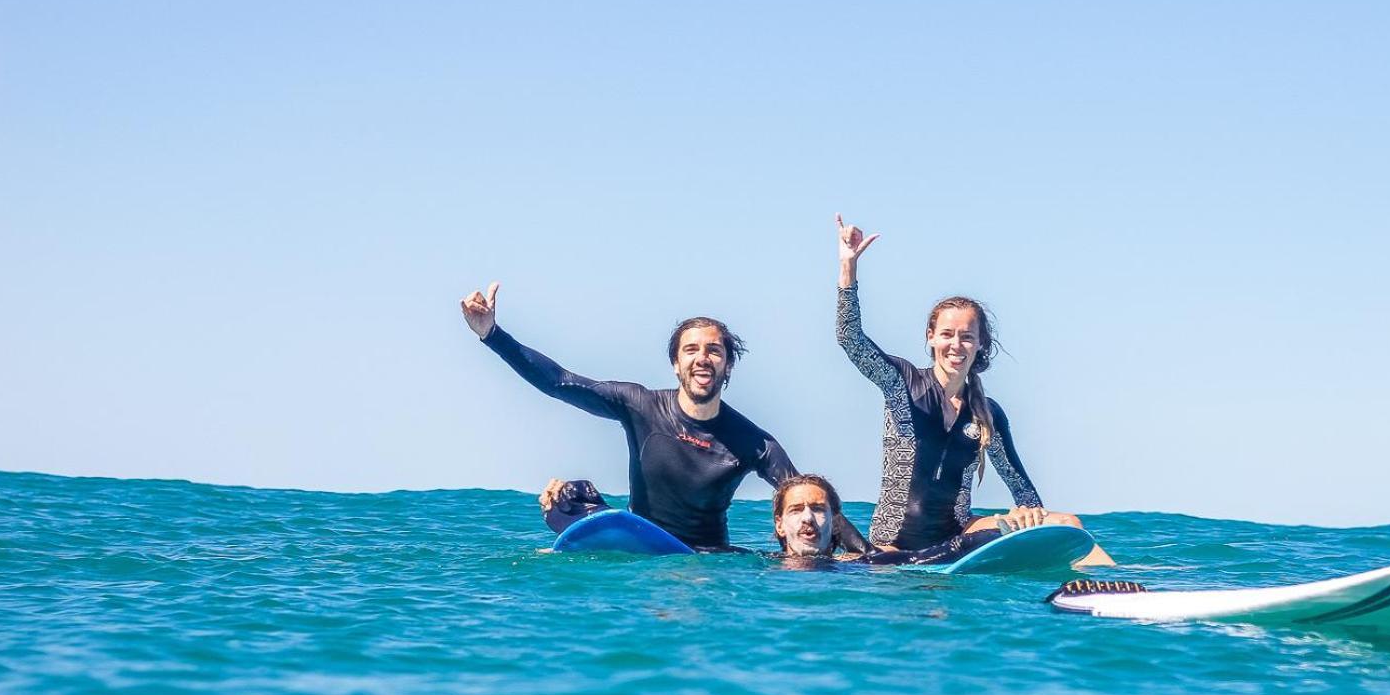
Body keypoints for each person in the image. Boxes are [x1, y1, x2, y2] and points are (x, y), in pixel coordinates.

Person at [462, 281, 865, 552]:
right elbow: (559, 382)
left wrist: (865, 555)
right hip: (643, 540)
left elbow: (807, 499)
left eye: (714, 351)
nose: (702, 359)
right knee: (568, 497)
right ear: (676, 364)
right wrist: (491, 335)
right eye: (691, 350)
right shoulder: (639, 405)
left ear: (727, 367)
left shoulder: (753, 443)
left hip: (705, 556)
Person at [833, 215, 1113, 565]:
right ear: (930, 337)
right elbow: (851, 340)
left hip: (960, 540)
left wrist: (1030, 516)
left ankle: (1123, 586)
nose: (956, 345)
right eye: (947, 335)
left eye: (967, 336)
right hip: (896, 548)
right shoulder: (903, 384)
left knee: (1067, 524)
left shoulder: (987, 414)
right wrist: (848, 268)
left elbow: (1020, 486)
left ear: (980, 343)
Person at [771, 473, 1008, 567]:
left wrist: (999, 534)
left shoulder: (861, 565)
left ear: (835, 523)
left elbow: (937, 553)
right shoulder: (757, 566)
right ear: (779, 525)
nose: (808, 518)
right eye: (795, 510)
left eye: (818, 509)